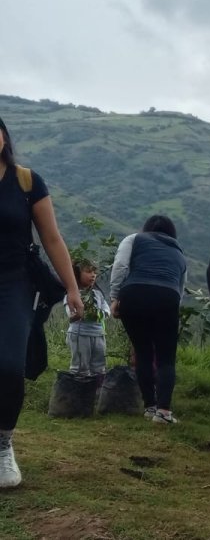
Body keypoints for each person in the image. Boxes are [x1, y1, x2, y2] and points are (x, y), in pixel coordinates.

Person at [0, 116, 84, 489]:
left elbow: (51, 238)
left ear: (3, 137)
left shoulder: (26, 182)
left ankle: (3, 444)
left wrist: (72, 288)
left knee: (8, 364)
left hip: (13, 283)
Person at [109, 215, 188, 424]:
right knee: (165, 358)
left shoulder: (134, 239)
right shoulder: (178, 251)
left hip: (134, 294)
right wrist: (170, 310)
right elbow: (180, 287)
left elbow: (121, 267)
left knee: (142, 351)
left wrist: (115, 297)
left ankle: (149, 407)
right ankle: (163, 412)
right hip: (167, 298)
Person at [66, 259, 111, 377]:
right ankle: (78, 389)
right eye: (88, 272)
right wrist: (79, 314)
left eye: (94, 272)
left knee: (99, 364)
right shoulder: (72, 294)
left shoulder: (98, 294)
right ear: (77, 274)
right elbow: (70, 316)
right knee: (81, 365)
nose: (93, 275)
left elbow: (107, 311)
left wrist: (97, 314)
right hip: (80, 334)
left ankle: (96, 389)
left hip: (98, 334)